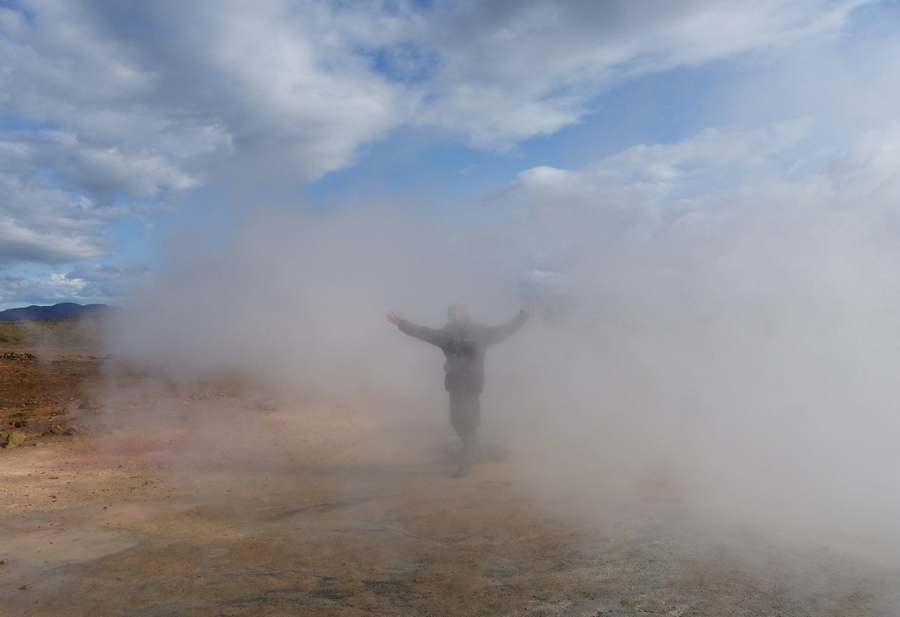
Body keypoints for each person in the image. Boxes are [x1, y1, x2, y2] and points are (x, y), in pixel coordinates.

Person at [387, 302, 534, 477]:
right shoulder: (446, 334)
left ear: (465, 313)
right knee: (457, 424)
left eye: (458, 309)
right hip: (455, 386)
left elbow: (506, 330)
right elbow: (424, 333)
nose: (455, 312)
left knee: (468, 425)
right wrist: (402, 324)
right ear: (449, 315)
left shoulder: (479, 331)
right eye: (452, 310)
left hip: (471, 385)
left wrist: (523, 315)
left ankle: (465, 465)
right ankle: (477, 452)